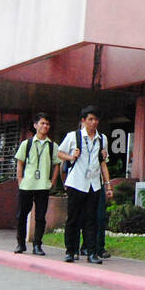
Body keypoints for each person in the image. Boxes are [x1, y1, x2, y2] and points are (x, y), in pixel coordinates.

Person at [58, 106, 113, 263]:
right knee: (73, 218)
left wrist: (108, 185)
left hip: (94, 184)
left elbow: (103, 163)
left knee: (92, 219)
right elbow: (59, 152)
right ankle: (70, 251)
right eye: (90, 119)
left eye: (96, 119)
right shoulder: (73, 136)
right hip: (76, 182)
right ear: (83, 121)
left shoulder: (102, 139)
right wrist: (70, 157)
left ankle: (91, 252)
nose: (93, 122)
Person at [13, 114, 55, 256]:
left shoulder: (51, 145)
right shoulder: (27, 144)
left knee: (40, 217)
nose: (45, 126)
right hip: (27, 185)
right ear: (35, 125)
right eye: (42, 123)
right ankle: (21, 244)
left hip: (43, 186)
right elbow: (20, 162)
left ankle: (37, 245)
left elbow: (57, 165)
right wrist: (20, 180)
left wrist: (52, 181)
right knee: (21, 215)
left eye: (47, 124)